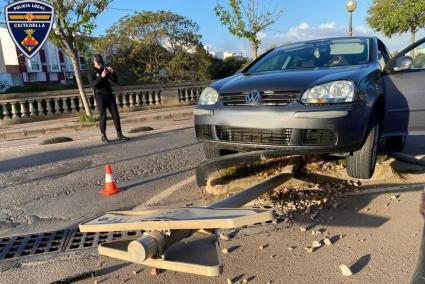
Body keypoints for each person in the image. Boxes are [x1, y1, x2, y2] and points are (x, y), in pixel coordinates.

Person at [90, 54, 129, 142]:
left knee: (115, 114)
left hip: (109, 95)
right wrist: (101, 77)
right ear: (94, 61)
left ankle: (119, 134)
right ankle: (103, 135)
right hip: (100, 96)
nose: (100, 64)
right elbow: (93, 85)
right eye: (98, 62)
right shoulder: (92, 72)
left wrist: (113, 72)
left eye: (101, 62)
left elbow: (115, 80)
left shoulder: (105, 69)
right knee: (103, 116)